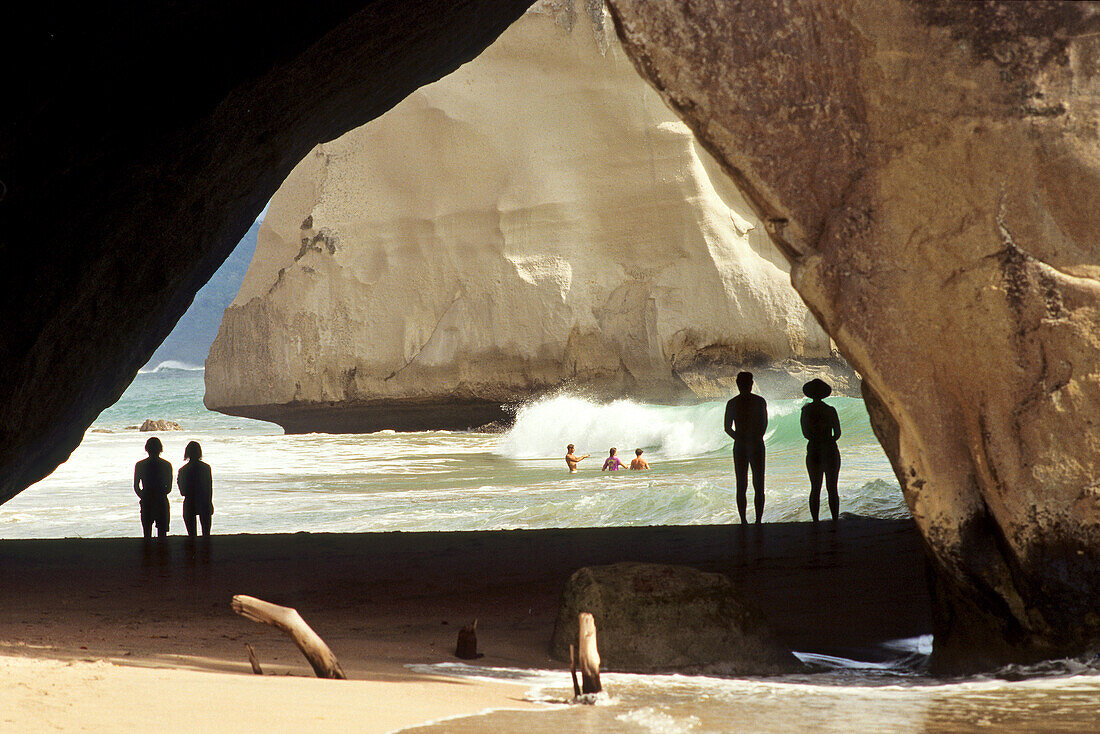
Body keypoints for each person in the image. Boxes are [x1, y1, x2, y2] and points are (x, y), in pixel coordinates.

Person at [724, 371, 768, 524]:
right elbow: (764, 424)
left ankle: (743, 521)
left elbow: (727, 428)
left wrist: (741, 438)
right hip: (757, 444)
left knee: (741, 484)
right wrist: (755, 438)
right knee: (759, 484)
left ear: (737, 385)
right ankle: (758, 521)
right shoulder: (760, 401)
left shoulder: (732, 403)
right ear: (751, 384)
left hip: (740, 446)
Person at [801, 379, 842, 522]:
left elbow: (805, 434)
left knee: (815, 488)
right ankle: (835, 519)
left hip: (813, 450)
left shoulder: (806, 411)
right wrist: (828, 439)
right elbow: (837, 433)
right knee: (832, 488)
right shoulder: (830, 410)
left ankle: (815, 521)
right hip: (830, 449)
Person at [134, 437, 172, 539]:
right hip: (161, 500)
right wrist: (160, 493)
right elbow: (169, 488)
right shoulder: (167, 465)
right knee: (162, 534)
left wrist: (143, 496)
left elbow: (136, 486)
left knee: (147, 533)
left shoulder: (140, 465)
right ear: (160, 449)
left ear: (147, 449)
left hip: (147, 500)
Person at [177, 440, 214, 537]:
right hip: (204, 501)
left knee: (191, 535)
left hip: (189, 501)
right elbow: (209, 488)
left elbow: (182, 492)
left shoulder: (183, 470)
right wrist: (210, 502)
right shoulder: (206, 468)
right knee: (206, 534)